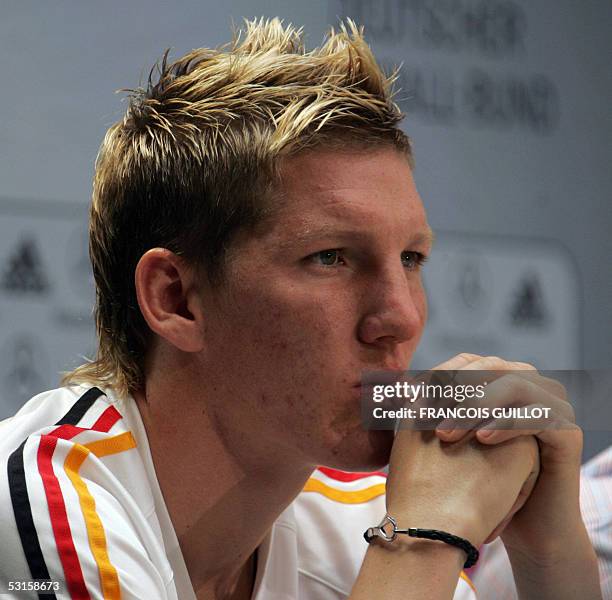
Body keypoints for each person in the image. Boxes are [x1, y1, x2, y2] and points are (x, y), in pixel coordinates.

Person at [0, 18, 602, 599]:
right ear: (176, 299)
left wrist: (551, 557)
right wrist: (421, 543)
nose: (401, 318)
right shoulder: (41, 504)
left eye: (412, 259)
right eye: (331, 258)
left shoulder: (361, 516)